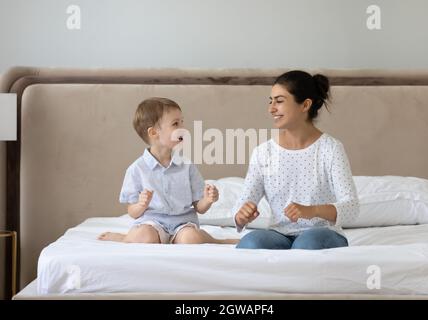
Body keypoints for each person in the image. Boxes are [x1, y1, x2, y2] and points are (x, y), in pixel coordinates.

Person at [234, 70, 359, 249]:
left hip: (322, 233)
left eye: (279, 101)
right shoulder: (263, 152)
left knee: (306, 245)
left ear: (305, 105)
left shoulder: (330, 149)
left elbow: (352, 208)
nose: (271, 109)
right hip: (279, 235)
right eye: (270, 101)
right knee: (251, 243)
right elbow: (245, 201)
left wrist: (312, 211)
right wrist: (241, 215)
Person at [99, 97, 238, 244]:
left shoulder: (187, 166)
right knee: (145, 237)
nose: (183, 128)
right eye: (175, 124)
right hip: (152, 223)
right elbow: (132, 212)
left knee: (191, 238)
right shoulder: (137, 169)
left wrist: (208, 200)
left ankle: (217, 241)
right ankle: (125, 238)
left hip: (182, 224)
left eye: (182, 122)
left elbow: (200, 208)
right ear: (153, 133)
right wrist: (141, 205)